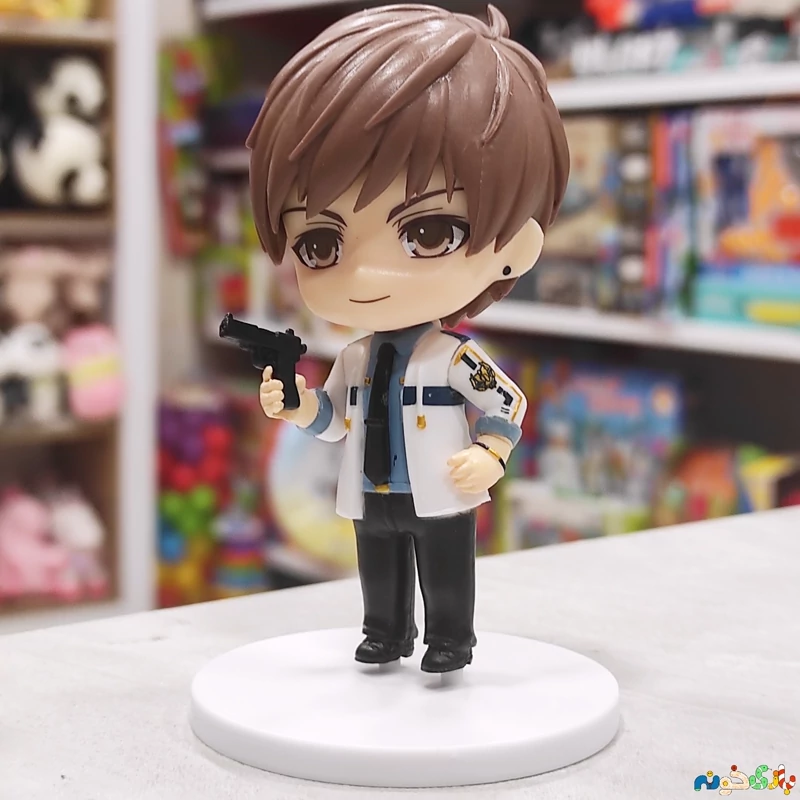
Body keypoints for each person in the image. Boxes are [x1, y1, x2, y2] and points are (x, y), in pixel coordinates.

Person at [252, 3, 569, 673]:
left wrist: (490, 452)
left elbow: (507, 402)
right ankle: (385, 631)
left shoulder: (452, 358)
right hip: (373, 492)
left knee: (446, 569)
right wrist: (299, 406)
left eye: (428, 232)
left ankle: (450, 638)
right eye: (319, 243)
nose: (366, 275)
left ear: (514, 249)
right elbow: (335, 420)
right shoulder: (355, 357)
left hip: (439, 486)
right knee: (379, 567)